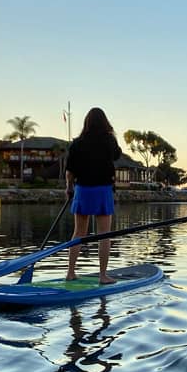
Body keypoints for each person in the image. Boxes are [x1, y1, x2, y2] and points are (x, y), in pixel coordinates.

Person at [64, 107, 123, 283]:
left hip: (82, 190)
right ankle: (103, 275)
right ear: (105, 122)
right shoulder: (109, 140)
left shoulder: (77, 143)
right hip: (103, 190)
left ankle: (70, 272)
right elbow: (117, 155)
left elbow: (69, 172)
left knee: (78, 233)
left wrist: (69, 188)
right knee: (104, 234)